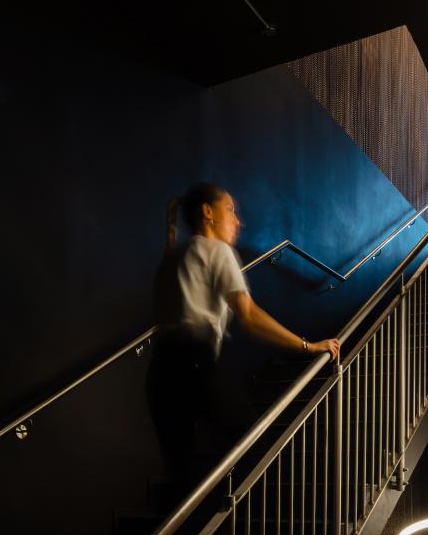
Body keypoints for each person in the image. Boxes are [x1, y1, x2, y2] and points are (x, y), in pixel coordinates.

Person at [146, 182, 340, 493]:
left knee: (183, 479)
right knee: (258, 445)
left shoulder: (172, 258)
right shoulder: (218, 251)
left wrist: (172, 227)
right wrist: (308, 346)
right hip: (194, 363)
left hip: (159, 373)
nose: (238, 221)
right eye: (230, 210)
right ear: (207, 212)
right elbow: (248, 317)